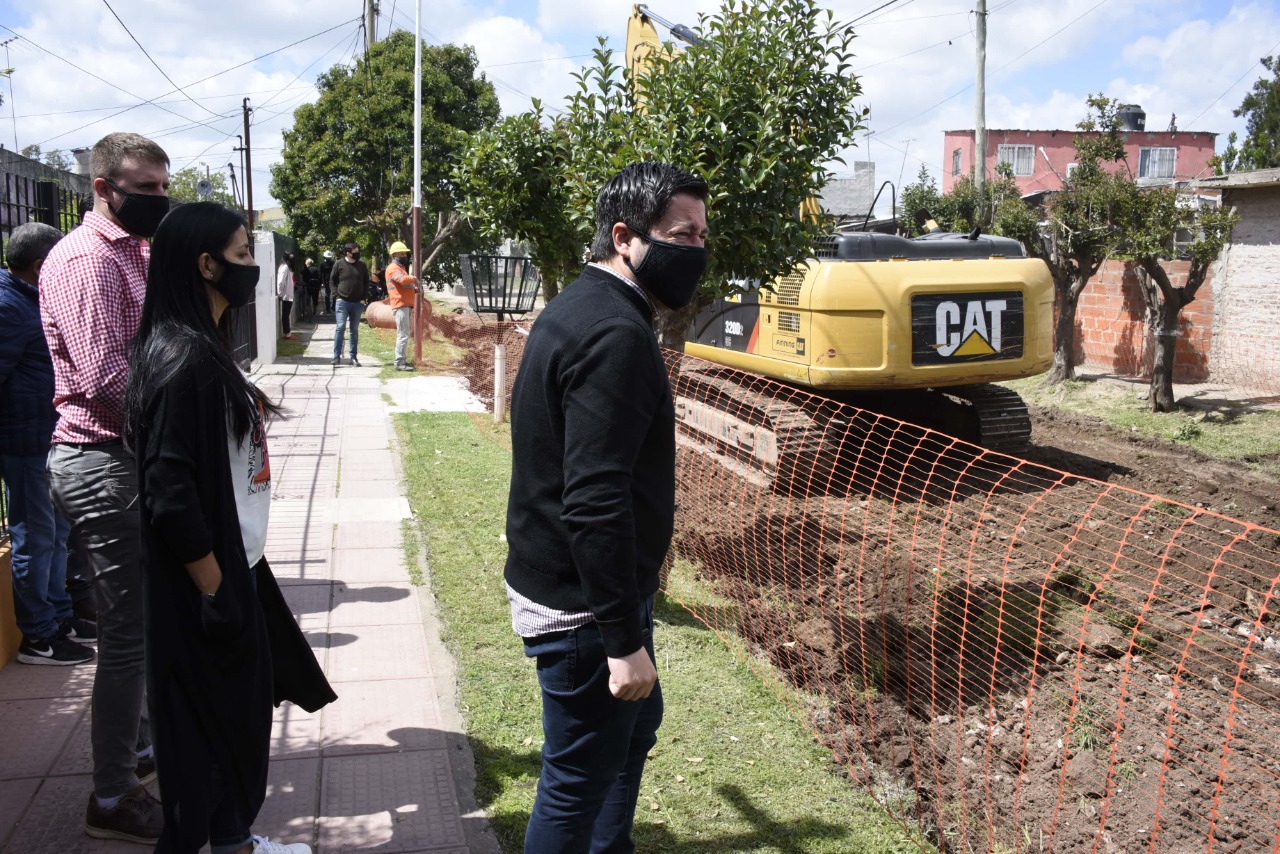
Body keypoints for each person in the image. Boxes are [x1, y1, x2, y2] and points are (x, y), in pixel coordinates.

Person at [503, 161, 709, 853]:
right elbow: (592, 498)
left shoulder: (580, 306)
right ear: (625, 237)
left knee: (627, 741)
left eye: (704, 235)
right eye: (682, 234)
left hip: (587, 589)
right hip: (586, 608)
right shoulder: (616, 335)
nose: (698, 252)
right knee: (576, 779)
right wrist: (623, 642)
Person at [124, 202, 336, 854]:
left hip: (235, 565)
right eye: (244, 255)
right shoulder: (182, 359)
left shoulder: (200, 347)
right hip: (207, 581)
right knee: (213, 730)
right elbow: (168, 492)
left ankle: (234, 841)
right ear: (207, 264)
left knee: (231, 724)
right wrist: (215, 590)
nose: (253, 267)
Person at [41, 131, 169, 843]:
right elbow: (104, 380)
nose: (158, 198)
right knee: (125, 637)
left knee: (143, 625)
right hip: (100, 460)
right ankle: (112, 797)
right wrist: (187, 417)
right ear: (103, 187)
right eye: (144, 188)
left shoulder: (133, 252)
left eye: (161, 186)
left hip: (125, 457)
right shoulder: (89, 259)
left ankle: (139, 748)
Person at [0, 222, 97, 666]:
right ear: (42, 266)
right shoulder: (8, 306)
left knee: (56, 535)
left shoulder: (30, 299)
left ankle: (58, 617)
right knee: (36, 539)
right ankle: (38, 635)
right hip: (25, 443)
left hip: (48, 435)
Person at [329, 242, 370, 367]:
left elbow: (366, 282)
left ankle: (353, 357)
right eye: (355, 251)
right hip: (343, 302)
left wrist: (363, 298)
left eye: (358, 251)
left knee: (354, 330)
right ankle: (336, 356)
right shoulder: (339, 264)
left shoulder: (362, 265)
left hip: (357, 303)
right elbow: (332, 281)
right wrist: (337, 296)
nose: (357, 253)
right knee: (340, 327)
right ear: (348, 253)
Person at [385, 241, 417, 371]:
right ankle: (399, 363)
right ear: (395, 255)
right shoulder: (393, 268)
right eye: (402, 253)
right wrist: (414, 278)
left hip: (405, 305)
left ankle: (402, 360)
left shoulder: (401, 268)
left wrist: (413, 289)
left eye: (405, 253)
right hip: (400, 305)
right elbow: (403, 280)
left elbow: (403, 285)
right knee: (403, 334)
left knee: (404, 334)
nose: (405, 255)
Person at [276, 252, 296, 340]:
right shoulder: (284, 267)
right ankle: (287, 334)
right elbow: (281, 281)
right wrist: (280, 293)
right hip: (285, 295)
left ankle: (288, 332)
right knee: (285, 315)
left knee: (286, 314)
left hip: (288, 294)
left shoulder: (287, 267)